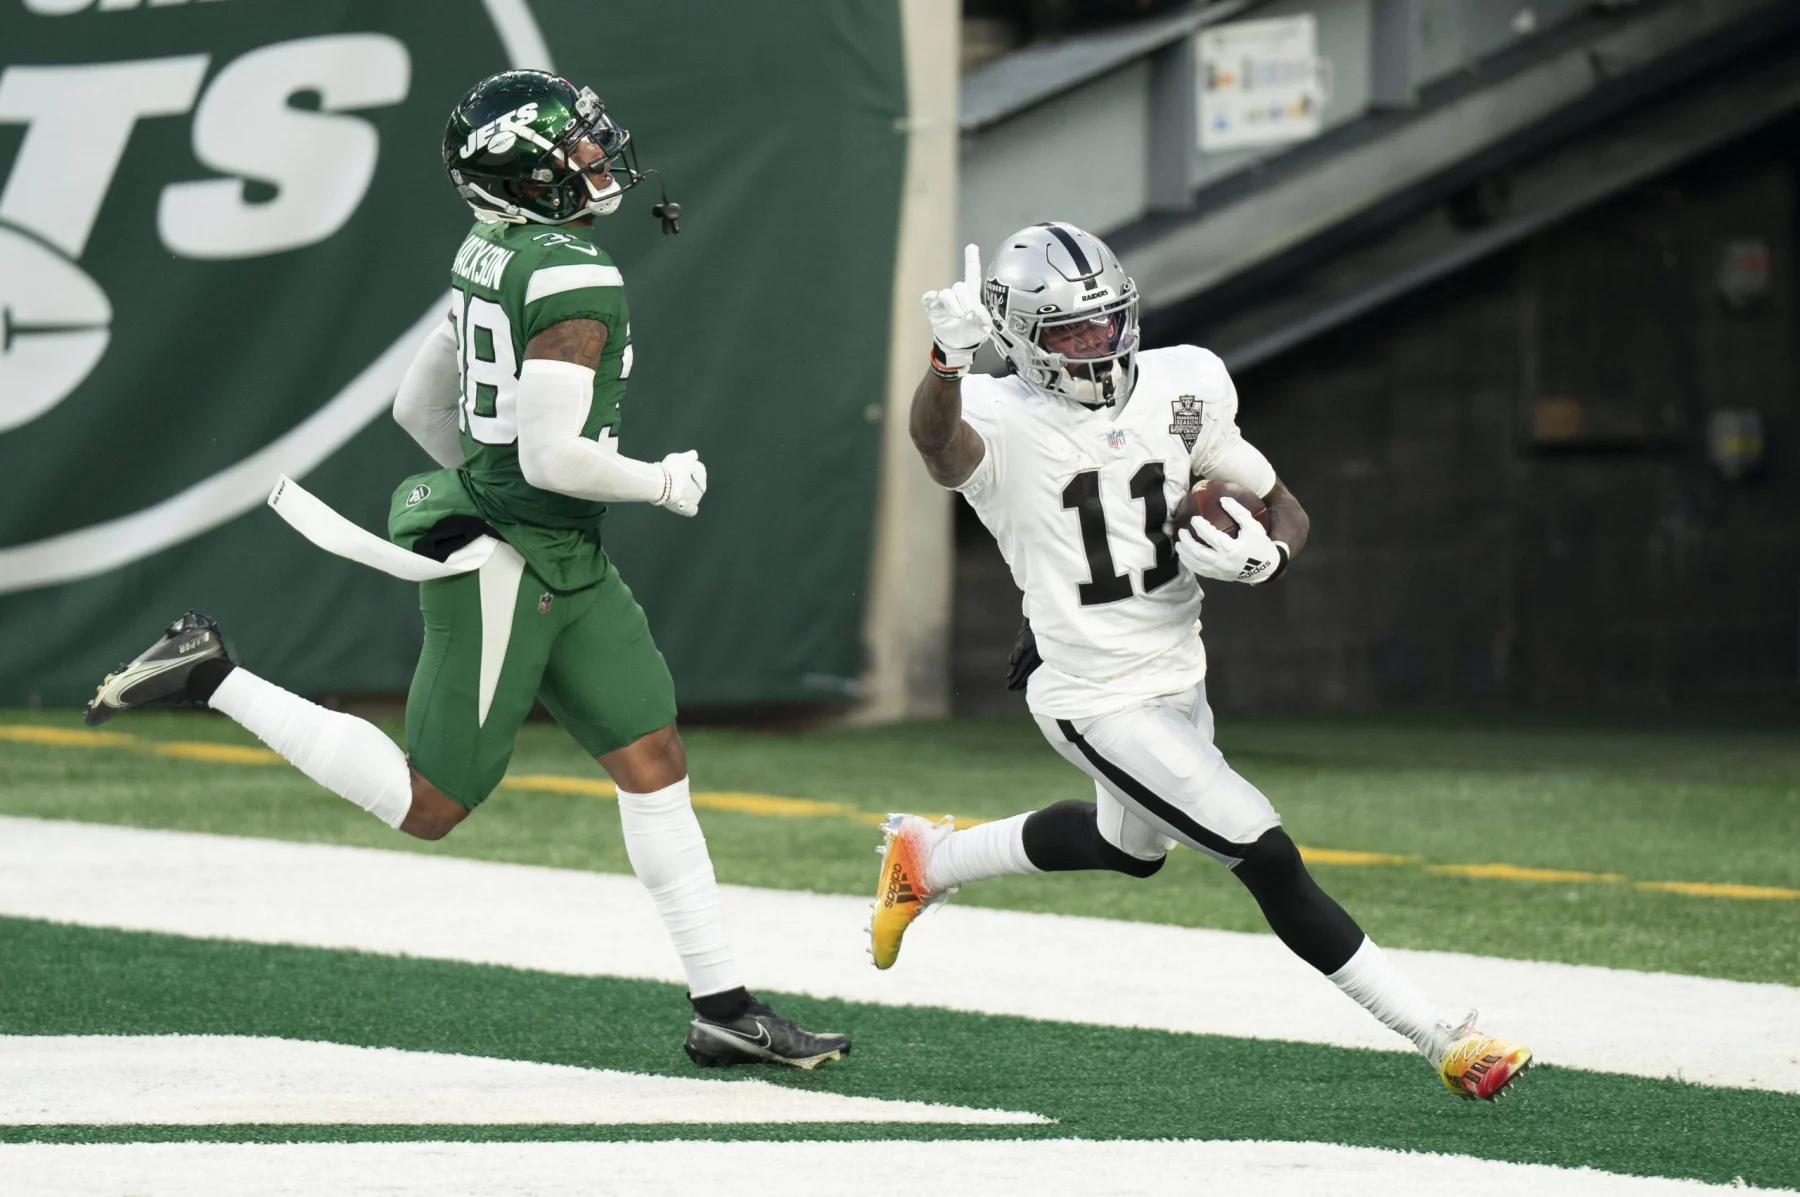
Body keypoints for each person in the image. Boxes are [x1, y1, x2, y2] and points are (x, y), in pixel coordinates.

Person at [84, 69, 848, 1072]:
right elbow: (550, 458)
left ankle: (724, 1008)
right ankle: (210, 672)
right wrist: (660, 482)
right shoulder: (570, 272)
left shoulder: (493, 248)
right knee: (430, 803)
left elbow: (418, 408)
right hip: (510, 560)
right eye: (572, 148)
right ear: (526, 174)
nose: (596, 157)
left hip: (557, 552)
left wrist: (499, 486)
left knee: (654, 764)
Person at [871, 225, 1528, 1100]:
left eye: (1105, 324)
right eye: (1068, 332)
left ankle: (929, 858)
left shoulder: (1187, 381)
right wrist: (947, 365)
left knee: (1131, 848)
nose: (1095, 346)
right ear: (1022, 338)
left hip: (1179, 669)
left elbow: (1278, 501)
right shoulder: (997, 413)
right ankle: (1443, 1037)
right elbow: (937, 446)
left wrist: (1272, 556)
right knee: (1264, 851)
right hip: (1093, 692)